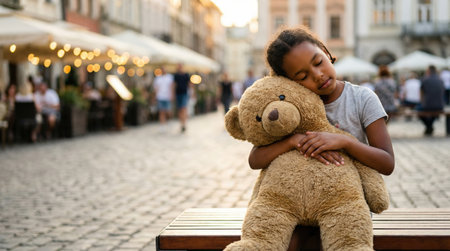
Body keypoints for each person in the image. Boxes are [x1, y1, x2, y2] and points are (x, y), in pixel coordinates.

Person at [249, 26, 394, 179]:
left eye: (318, 62)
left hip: (352, 196)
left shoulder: (362, 98)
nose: (318, 75)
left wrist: (346, 142)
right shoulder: (289, 107)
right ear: (290, 82)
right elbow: (255, 160)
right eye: (303, 76)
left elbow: (387, 163)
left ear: (325, 52)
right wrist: (292, 141)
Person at [419, 65, 445, 136]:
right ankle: (429, 126)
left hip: (428, 106)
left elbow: (421, 94)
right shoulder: (441, 80)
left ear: (428, 71)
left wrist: (422, 102)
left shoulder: (425, 80)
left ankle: (429, 126)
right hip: (440, 106)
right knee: (434, 112)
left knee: (417, 110)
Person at [173, 64, 192, 133]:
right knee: (180, 109)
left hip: (184, 93)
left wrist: (192, 93)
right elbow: (174, 85)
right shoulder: (176, 75)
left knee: (183, 108)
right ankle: (181, 124)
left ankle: (184, 124)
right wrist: (173, 94)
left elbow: (189, 84)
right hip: (178, 94)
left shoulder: (186, 75)